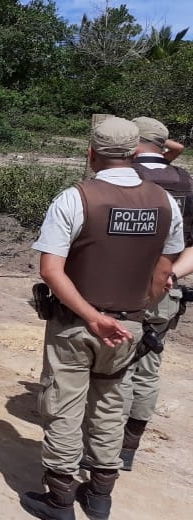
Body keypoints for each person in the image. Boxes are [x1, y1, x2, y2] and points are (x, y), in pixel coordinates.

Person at [21, 117, 182, 520]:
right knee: (111, 405)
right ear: (135, 153)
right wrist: (138, 311)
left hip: (78, 323)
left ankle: (59, 498)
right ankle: (100, 495)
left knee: (63, 405)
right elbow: (165, 269)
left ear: (91, 152)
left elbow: (51, 269)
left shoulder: (76, 199)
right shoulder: (165, 201)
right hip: (128, 325)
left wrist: (93, 316)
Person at [102, 116, 193, 471]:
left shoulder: (126, 179)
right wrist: (170, 274)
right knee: (149, 366)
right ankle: (129, 448)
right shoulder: (184, 180)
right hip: (169, 288)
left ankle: (104, 448)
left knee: (117, 369)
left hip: (124, 288)